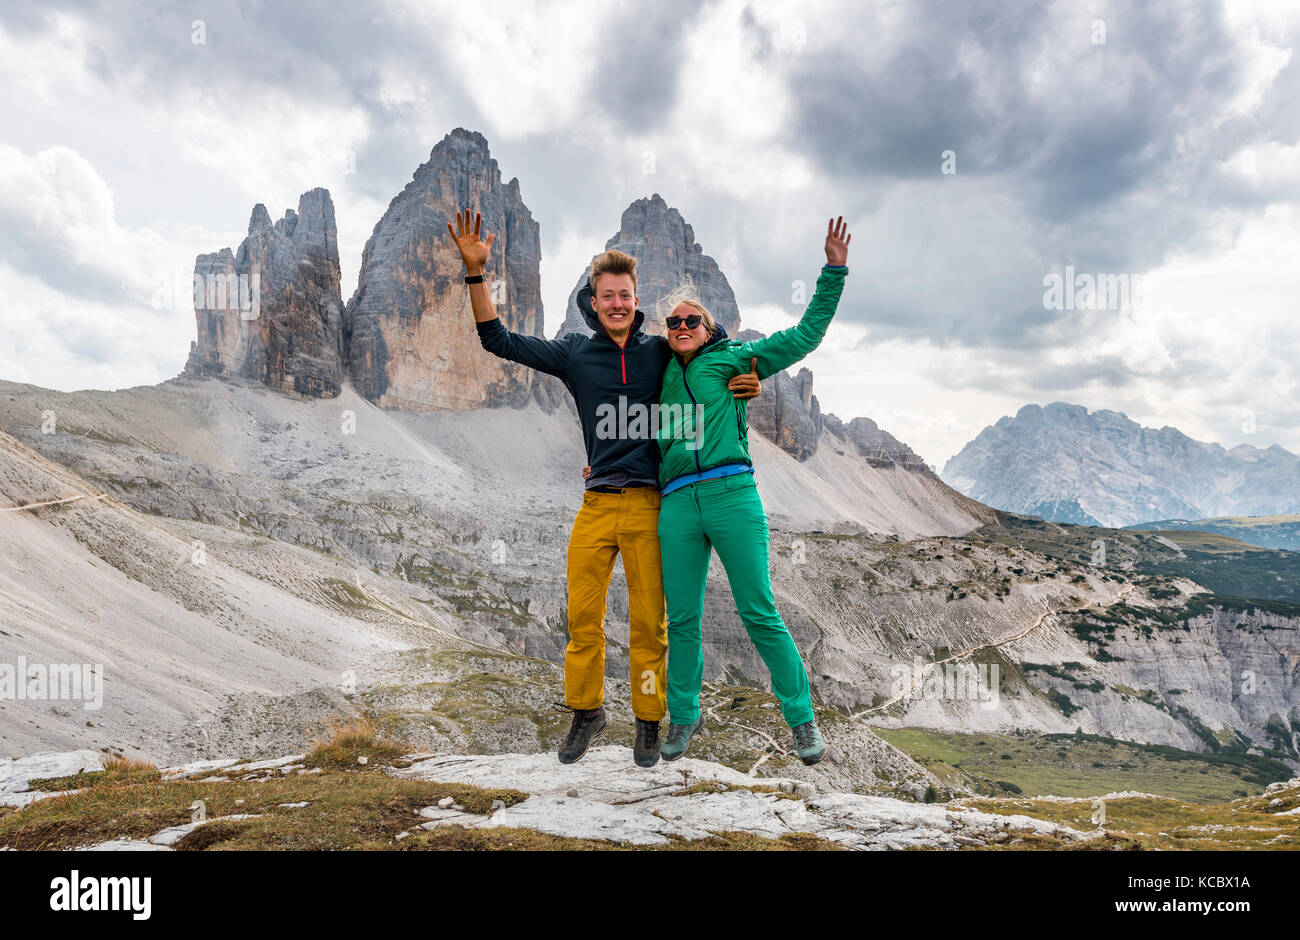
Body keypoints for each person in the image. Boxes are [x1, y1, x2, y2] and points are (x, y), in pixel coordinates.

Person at [445, 209, 761, 767]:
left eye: (626, 295)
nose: (617, 303)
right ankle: (587, 712)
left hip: (648, 503)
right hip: (595, 505)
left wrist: (745, 383)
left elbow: (712, 347)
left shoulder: (661, 350)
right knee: (582, 616)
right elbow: (496, 339)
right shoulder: (574, 353)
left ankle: (648, 720)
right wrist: (476, 273)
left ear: (638, 300)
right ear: (592, 303)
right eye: (607, 295)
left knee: (648, 622)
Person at [653, 216, 851, 765]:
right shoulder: (661, 372)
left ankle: (802, 720)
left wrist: (833, 271)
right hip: (676, 505)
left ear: (709, 326)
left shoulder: (733, 360)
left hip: (730, 493)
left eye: (691, 319)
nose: (682, 326)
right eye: (672, 321)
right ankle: (683, 719)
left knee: (758, 609)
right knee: (684, 619)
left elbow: (803, 338)